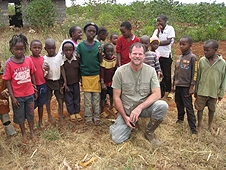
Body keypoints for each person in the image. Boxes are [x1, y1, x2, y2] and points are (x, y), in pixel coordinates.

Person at [110, 42, 168, 145]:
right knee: (117, 139)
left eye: (140, 54)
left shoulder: (151, 71)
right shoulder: (120, 72)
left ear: (144, 56)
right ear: (129, 55)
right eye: (134, 53)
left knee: (162, 105)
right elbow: (116, 97)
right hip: (127, 110)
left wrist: (139, 108)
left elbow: (157, 94)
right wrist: (125, 117)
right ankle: (125, 123)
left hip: (144, 108)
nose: (137, 56)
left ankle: (149, 132)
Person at [3, 34, 37, 144]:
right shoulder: (9, 63)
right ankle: (24, 133)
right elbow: (7, 80)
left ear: (25, 49)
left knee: (30, 114)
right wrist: (12, 97)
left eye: (21, 49)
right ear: (12, 49)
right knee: (20, 116)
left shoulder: (28, 60)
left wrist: (34, 87)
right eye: (16, 49)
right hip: (17, 96)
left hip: (29, 94)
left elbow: (32, 74)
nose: (19, 51)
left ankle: (32, 132)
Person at [194, 39, 226, 135]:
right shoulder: (202, 61)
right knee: (200, 109)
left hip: (213, 91)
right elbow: (198, 76)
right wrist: (196, 90)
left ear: (215, 50)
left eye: (207, 50)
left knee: (212, 109)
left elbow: (224, 79)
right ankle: (199, 125)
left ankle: (210, 126)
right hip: (202, 90)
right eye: (204, 50)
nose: (205, 52)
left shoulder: (222, 63)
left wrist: (221, 93)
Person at [76, 22, 102, 126]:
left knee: (96, 98)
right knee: (87, 99)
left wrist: (100, 53)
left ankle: (96, 116)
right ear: (85, 32)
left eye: (93, 31)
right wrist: (80, 76)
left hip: (96, 75)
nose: (91, 33)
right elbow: (78, 61)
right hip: (85, 75)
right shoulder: (81, 46)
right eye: (89, 31)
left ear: (96, 33)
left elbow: (100, 61)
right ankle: (88, 117)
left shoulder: (99, 45)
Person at [172, 36, 198, 134]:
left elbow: (195, 73)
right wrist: (173, 85)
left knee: (188, 106)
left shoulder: (192, 58)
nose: (181, 46)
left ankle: (193, 128)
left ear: (190, 45)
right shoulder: (179, 57)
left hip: (186, 87)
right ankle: (180, 119)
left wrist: (192, 86)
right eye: (180, 44)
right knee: (179, 103)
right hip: (178, 85)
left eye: (184, 44)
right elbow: (175, 72)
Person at [44, 38, 67, 125]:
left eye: (53, 48)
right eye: (49, 48)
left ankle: (60, 115)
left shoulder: (59, 57)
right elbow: (43, 72)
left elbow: (62, 69)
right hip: (48, 82)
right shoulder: (44, 59)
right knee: (48, 99)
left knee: (60, 99)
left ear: (55, 47)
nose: (51, 50)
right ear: (45, 49)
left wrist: (65, 81)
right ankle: (49, 115)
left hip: (58, 81)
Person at [152, 14, 175, 98]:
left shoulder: (170, 29)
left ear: (165, 21)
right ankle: (161, 90)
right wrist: (158, 32)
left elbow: (168, 41)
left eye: (160, 21)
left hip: (166, 55)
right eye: (157, 21)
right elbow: (153, 39)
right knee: (159, 73)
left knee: (167, 74)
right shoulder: (156, 31)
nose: (158, 23)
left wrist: (157, 43)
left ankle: (168, 90)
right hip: (157, 56)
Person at [61, 41, 82, 122]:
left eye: (70, 50)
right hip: (67, 84)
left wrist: (80, 80)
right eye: (66, 50)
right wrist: (64, 83)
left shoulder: (76, 59)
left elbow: (79, 70)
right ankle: (72, 113)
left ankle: (77, 112)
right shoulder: (62, 61)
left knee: (77, 98)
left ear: (73, 50)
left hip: (76, 83)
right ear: (63, 51)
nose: (68, 52)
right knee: (69, 99)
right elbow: (62, 72)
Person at [29, 39, 48, 129]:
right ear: (30, 48)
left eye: (39, 48)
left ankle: (40, 121)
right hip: (32, 86)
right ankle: (31, 123)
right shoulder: (28, 60)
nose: (37, 49)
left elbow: (46, 71)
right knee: (32, 106)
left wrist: (47, 69)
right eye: (34, 47)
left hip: (43, 85)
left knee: (41, 104)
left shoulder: (43, 59)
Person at [100, 43, 117, 118]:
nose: (110, 53)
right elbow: (102, 72)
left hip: (111, 82)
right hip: (104, 82)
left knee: (112, 95)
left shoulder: (114, 59)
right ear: (104, 52)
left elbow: (115, 70)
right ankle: (102, 111)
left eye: (111, 51)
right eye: (107, 51)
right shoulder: (103, 60)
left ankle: (111, 107)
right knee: (103, 97)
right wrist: (102, 82)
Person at [0, 61, 17, 138]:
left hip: (3, 106)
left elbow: (11, 86)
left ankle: (11, 135)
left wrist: (7, 91)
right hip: (2, 103)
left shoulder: (3, 77)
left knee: (6, 120)